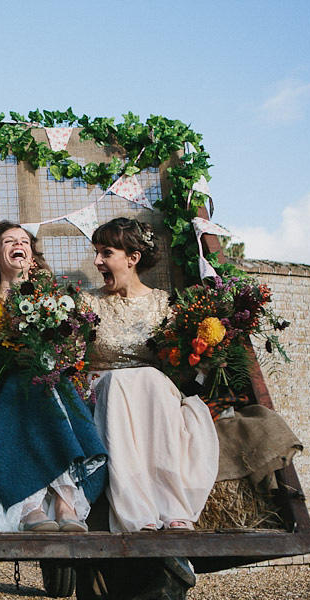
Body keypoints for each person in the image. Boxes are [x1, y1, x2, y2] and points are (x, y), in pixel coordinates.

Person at [0, 221, 108, 532]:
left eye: (25, 241)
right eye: (9, 241)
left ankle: (63, 502)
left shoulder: (52, 299)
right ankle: (31, 504)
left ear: (32, 256)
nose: (19, 244)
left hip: (47, 384)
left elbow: (68, 348)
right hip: (1, 390)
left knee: (45, 381)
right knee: (27, 382)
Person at [87, 217, 219, 532]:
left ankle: (171, 507)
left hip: (151, 399)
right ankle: (137, 511)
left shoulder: (166, 305)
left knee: (149, 378)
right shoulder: (87, 303)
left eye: (106, 253)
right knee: (123, 381)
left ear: (132, 258)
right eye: (96, 252)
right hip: (103, 394)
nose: (96, 261)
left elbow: (182, 369)